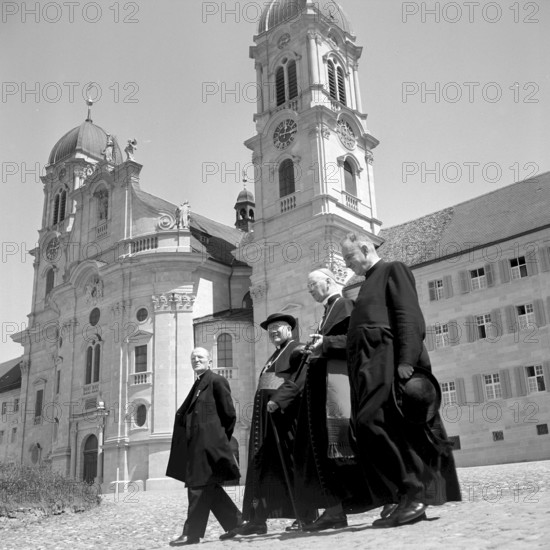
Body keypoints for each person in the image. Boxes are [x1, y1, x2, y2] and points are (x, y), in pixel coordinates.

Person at [341, 232, 461, 528]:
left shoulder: (393, 269)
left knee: (376, 423)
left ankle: (417, 494)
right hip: (368, 368)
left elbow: (409, 317)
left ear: (365, 248)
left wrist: (407, 361)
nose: (347, 264)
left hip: (388, 362)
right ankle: (406, 495)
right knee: (369, 426)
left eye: (349, 257)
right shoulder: (367, 281)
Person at [294, 268, 384, 531]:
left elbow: (356, 339)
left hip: (340, 386)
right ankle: (334, 510)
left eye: (312, 283)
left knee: (350, 445)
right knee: (325, 451)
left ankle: (388, 499)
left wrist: (326, 342)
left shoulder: (344, 304)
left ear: (329, 282)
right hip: (324, 388)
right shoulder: (328, 310)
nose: (309, 289)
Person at [221, 313, 313, 539]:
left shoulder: (297, 349)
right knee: (261, 466)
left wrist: (279, 401)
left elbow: (299, 379)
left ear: (290, 330)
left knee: (291, 465)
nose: (273, 331)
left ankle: (306, 515)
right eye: (270, 328)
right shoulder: (275, 355)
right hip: (266, 419)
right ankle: (256, 519)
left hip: (284, 417)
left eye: (278, 327)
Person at [166, 347, 242, 545]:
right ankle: (237, 523)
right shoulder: (199, 383)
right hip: (197, 445)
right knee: (209, 487)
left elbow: (229, 414)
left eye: (200, 357)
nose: (196, 360)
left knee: (198, 486)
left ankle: (191, 534)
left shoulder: (216, 381)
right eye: (193, 358)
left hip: (208, 445)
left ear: (210, 361)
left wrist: (217, 438)